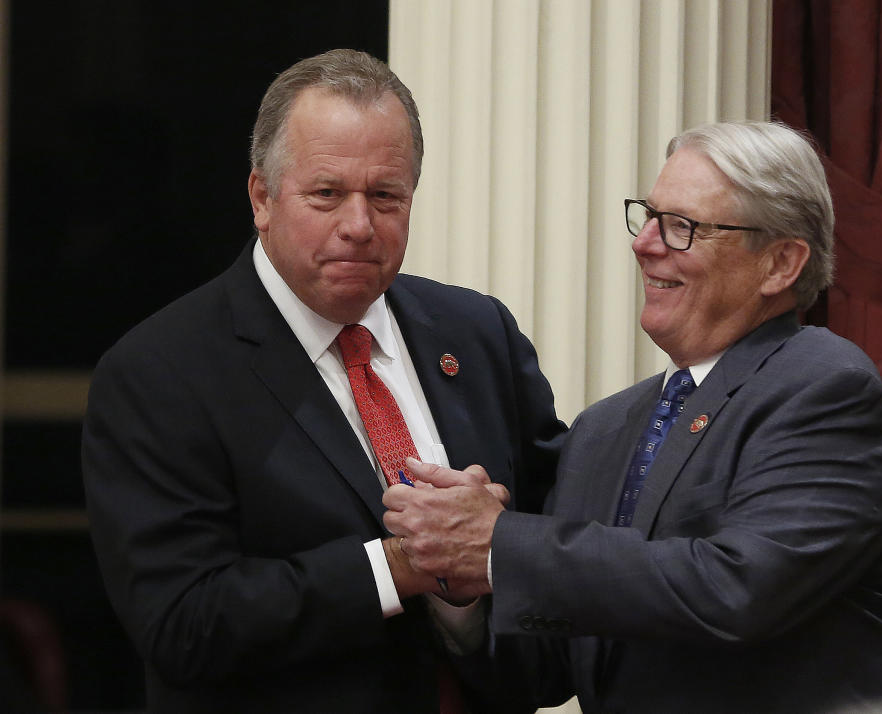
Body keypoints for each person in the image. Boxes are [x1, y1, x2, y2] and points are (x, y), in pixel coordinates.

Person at [384, 120, 882, 713]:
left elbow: (737, 589)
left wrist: (499, 546)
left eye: (682, 228)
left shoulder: (821, 383)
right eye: (649, 217)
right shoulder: (602, 430)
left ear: (780, 263)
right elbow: (543, 673)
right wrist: (456, 579)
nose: (644, 243)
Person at [81, 49, 565, 713]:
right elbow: (183, 624)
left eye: (386, 196)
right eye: (327, 194)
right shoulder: (161, 373)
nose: (360, 226)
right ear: (262, 197)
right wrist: (400, 567)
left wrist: (480, 569)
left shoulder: (478, 335)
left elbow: (559, 545)